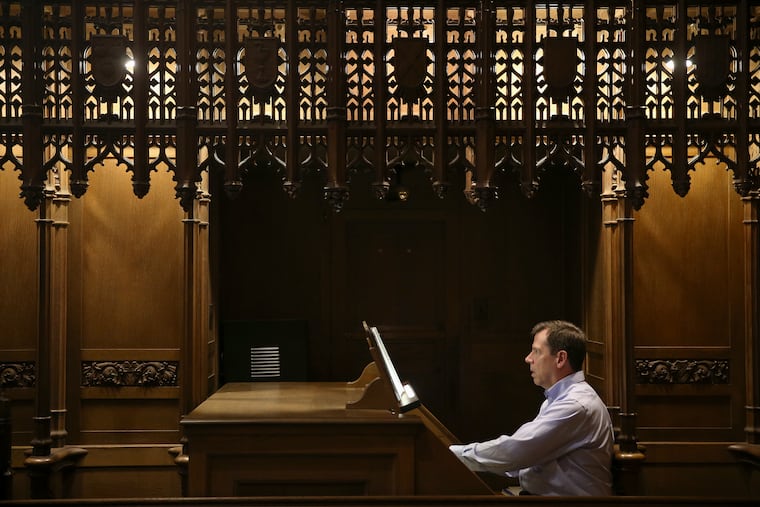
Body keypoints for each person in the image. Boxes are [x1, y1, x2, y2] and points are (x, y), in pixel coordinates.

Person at [449, 320, 614, 496]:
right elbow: (522, 457)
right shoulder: (558, 398)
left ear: (560, 359)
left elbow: (514, 452)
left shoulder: (575, 405)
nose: (528, 358)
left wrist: (453, 454)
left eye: (536, 351)